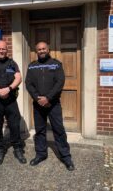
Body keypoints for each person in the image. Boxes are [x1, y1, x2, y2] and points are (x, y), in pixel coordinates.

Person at [25, 41, 75, 171]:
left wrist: (48, 98)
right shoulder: (32, 66)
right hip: (38, 104)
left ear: (48, 50)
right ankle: (41, 154)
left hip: (53, 104)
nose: (41, 51)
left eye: (43, 49)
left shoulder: (56, 64)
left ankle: (66, 157)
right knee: (40, 130)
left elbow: (60, 82)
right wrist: (37, 98)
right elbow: (28, 84)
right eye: (39, 49)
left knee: (58, 130)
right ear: (36, 51)